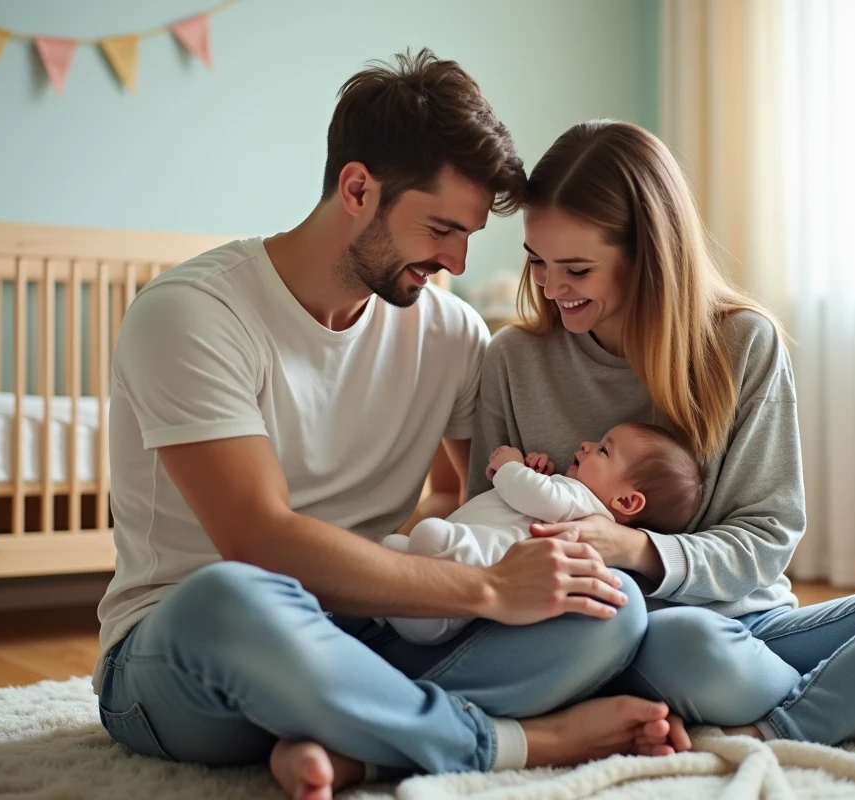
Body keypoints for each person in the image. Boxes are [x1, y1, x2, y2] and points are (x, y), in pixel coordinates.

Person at [96, 53, 676, 800]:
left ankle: (361, 744)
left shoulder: (451, 334)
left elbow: (456, 495)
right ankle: (509, 742)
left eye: (468, 234)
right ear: (358, 188)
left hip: (368, 639)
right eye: (440, 227)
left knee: (609, 607)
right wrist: (486, 589)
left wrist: (500, 561)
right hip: (191, 657)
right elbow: (261, 541)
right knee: (231, 593)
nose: (456, 260)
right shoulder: (193, 314)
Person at [469, 119, 855, 756]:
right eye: (537, 262)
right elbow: (488, 519)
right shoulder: (511, 359)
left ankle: (770, 728)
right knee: (684, 644)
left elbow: (766, 536)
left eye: (577, 268)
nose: (550, 287)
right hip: (610, 636)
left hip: (752, 628)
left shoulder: (741, 345)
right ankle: (831, 701)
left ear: (649, 256)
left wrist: (635, 548)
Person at [382, 423, 704, 644]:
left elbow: (534, 495)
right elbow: (531, 500)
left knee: (429, 535)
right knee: (393, 547)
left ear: (626, 501)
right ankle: (394, 610)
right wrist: (537, 473)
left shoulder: (587, 507)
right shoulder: (569, 494)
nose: (586, 445)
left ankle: (401, 607)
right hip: (439, 599)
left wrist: (511, 466)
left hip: (468, 575)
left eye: (603, 451)